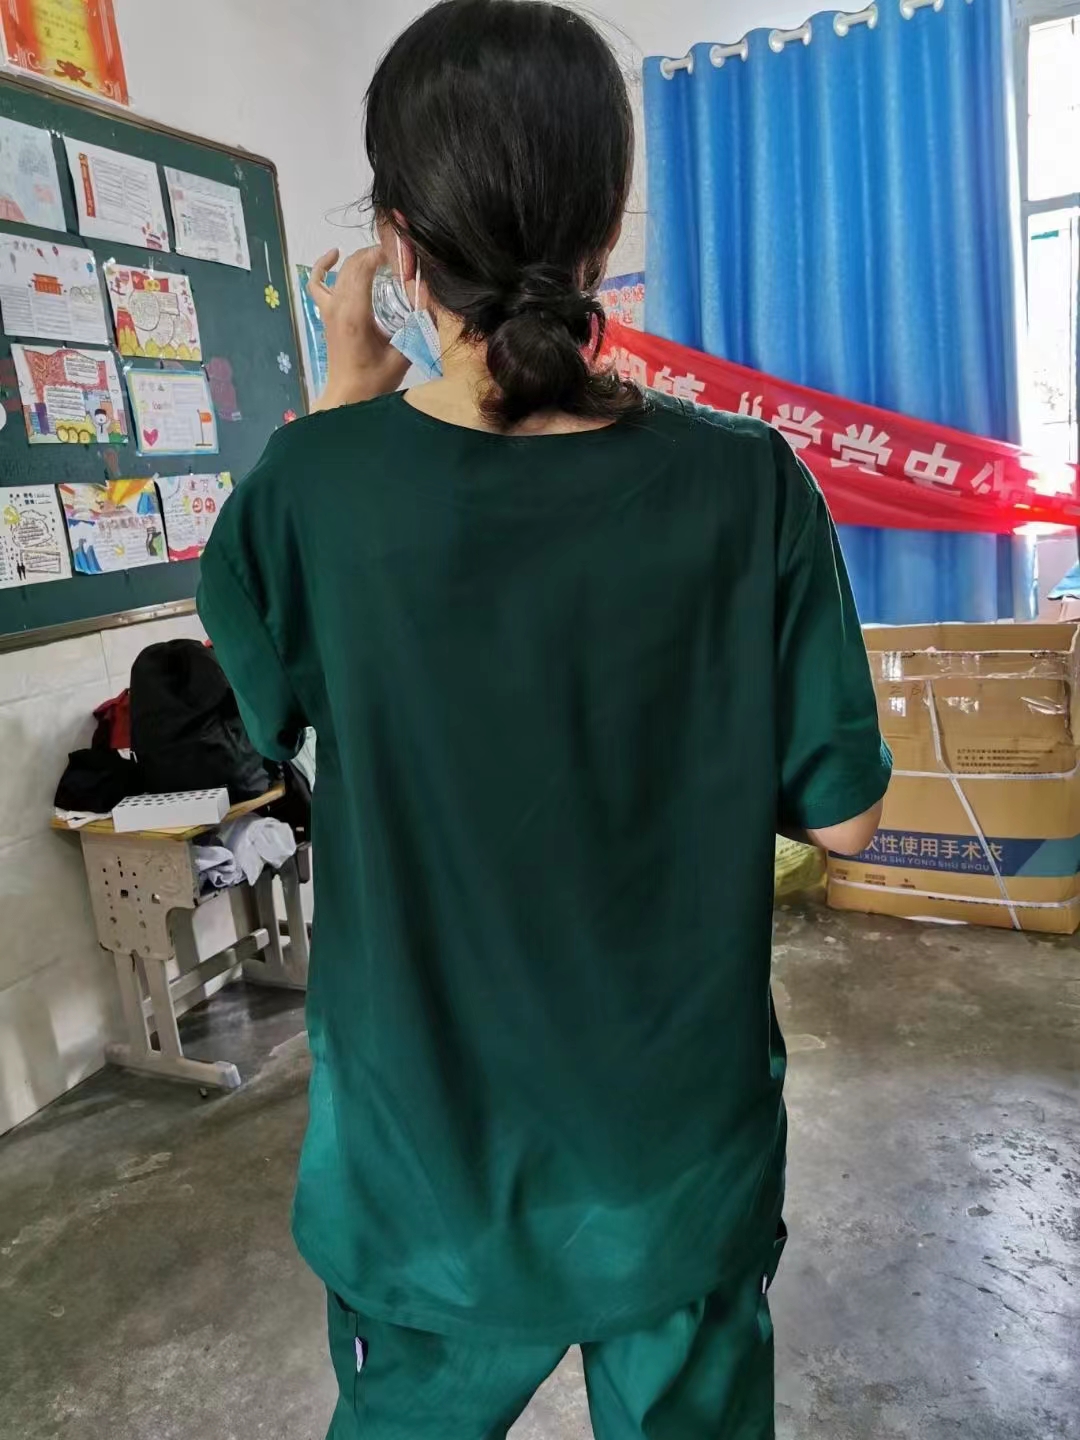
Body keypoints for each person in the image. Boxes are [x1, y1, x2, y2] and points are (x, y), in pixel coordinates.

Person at [197, 3, 890, 1436]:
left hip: (422, 1177)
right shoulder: (748, 483)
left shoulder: (311, 491)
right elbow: (849, 819)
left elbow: (276, 703)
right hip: (672, 1165)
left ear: (397, 244)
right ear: (607, 227)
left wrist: (339, 397)